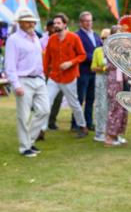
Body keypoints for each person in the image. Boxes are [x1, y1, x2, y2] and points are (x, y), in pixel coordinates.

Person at [5, 10, 50, 157]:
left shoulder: (35, 37)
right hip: (23, 80)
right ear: (20, 23)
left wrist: (42, 76)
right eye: (28, 21)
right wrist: (16, 84)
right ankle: (25, 147)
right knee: (23, 116)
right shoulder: (13, 39)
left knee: (44, 110)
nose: (32, 24)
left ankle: (29, 141)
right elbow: (9, 65)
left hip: (38, 79)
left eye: (33, 21)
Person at [43, 13, 88, 138]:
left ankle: (83, 127)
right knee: (46, 103)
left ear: (64, 24)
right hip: (54, 77)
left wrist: (70, 63)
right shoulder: (51, 39)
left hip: (69, 77)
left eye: (58, 23)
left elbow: (82, 55)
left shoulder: (74, 38)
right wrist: (44, 73)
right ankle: (41, 130)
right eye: (54, 23)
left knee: (74, 103)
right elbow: (47, 57)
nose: (55, 25)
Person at [72, 11, 102, 131]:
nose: (89, 23)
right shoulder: (77, 35)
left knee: (90, 98)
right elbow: (80, 53)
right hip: (82, 71)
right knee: (79, 98)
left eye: (90, 20)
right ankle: (75, 123)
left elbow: (100, 48)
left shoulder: (95, 35)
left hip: (94, 72)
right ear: (81, 22)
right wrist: (95, 59)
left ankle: (88, 122)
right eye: (86, 21)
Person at [105, 25, 128, 146]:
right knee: (114, 107)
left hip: (120, 80)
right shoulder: (110, 48)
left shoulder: (120, 49)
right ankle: (109, 136)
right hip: (114, 80)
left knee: (121, 108)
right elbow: (111, 65)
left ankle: (116, 134)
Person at [91, 28, 110, 142]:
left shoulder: (114, 51)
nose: (106, 40)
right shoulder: (98, 51)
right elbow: (93, 67)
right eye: (104, 38)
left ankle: (109, 130)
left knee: (109, 106)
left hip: (112, 80)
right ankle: (99, 131)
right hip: (100, 78)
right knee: (100, 105)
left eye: (108, 37)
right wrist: (103, 68)